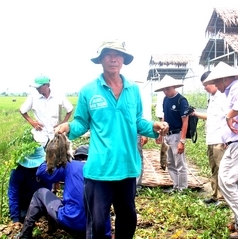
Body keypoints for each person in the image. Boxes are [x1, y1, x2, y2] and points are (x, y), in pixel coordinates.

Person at [55, 40, 169, 239]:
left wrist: (153, 127)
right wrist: (68, 127)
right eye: (108, 54)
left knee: (128, 219)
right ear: (101, 59)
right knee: (98, 224)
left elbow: (137, 121)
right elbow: (81, 122)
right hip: (99, 170)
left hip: (127, 167)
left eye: (118, 55)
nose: (113, 59)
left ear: (123, 59)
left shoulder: (133, 89)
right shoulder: (89, 90)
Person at [203, 62, 238, 238]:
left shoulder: (237, 87)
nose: (216, 86)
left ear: (225, 79)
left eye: (217, 82)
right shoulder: (230, 91)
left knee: (226, 180)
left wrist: (228, 116)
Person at [15, 145, 111, 239]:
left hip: (72, 221)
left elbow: (41, 172)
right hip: (97, 227)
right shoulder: (102, 171)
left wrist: (51, 155)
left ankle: (25, 234)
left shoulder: (71, 165)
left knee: (40, 193)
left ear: (75, 157)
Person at [190, 70, 226, 205]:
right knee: (214, 168)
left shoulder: (223, 97)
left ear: (214, 82)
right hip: (211, 139)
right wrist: (195, 114)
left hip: (220, 139)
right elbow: (212, 117)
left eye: (206, 84)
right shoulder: (212, 98)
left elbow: (229, 117)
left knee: (221, 168)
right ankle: (215, 195)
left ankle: (223, 198)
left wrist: (227, 138)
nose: (205, 87)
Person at [154, 75, 190, 193]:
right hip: (167, 134)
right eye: (164, 89)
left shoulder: (181, 100)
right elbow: (164, 118)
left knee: (180, 162)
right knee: (170, 162)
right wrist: (161, 134)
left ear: (174, 87)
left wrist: (182, 141)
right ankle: (176, 186)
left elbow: (185, 122)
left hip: (177, 134)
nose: (165, 91)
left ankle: (182, 188)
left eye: (167, 89)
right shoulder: (165, 99)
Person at [20, 75, 74, 141]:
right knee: (40, 150)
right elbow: (22, 110)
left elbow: (70, 109)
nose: (37, 89)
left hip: (56, 134)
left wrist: (62, 124)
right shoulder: (33, 97)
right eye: (36, 87)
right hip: (41, 135)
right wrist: (32, 122)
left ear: (47, 85)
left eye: (39, 87)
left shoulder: (58, 96)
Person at [8, 146, 52, 227]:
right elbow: (13, 195)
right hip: (25, 203)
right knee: (23, 217)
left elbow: (48, 190)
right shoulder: (17, 172)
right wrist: (15, 219)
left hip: (40, 200)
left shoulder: (45, 169)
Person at [135, 80, 152, 191]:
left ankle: (137, 184)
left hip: (137, 130)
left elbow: (144, 114)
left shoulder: (141, 92)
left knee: (137, 155)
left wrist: (144, 133)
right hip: (125, 130)